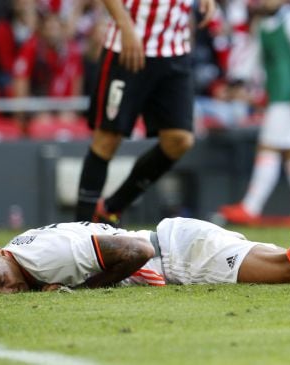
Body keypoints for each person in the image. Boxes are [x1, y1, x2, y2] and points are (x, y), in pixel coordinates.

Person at [0, 139, 290, 293]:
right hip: (181, 242)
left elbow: (132, 251)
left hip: (178, 255)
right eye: (0, 291)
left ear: (0, 253)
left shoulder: (42, 258)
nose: (10, 291)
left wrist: (82, 291)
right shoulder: (23, 248)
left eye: (4, 280)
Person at [74, 0, 216, 225]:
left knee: (180, 140)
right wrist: (126, 27)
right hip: (128, 47)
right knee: (107, 139)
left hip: (174, 49)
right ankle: (78, 229)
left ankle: (111, 208)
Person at [218, 0, 290, 225]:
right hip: (276, 95)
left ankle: (251, 207)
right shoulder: (263, 24)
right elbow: (253, 57)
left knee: (268, 147)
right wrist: (237, 80)